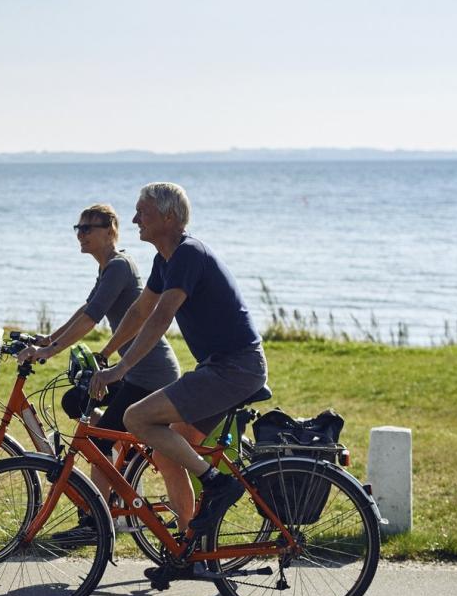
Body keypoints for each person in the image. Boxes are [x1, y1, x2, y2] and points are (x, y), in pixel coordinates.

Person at [90, 182, 268, 558]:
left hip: (234, 368)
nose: (135, 219)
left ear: (168, 217)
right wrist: (105, 354)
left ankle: (216, 484)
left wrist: (120, 369)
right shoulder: (165, 259)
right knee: (169, 451)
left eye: (143, 212)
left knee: (136, 418)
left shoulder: (188, 254)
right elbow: (139, 311)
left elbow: (159, 319)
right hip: (222, 367)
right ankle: (188, 550)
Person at [16, 203, 183, 529]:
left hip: (150, 374)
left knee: (98, 443)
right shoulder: (109, 267)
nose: (81, 234)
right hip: (137, 371)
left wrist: (48, 352)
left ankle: (95, 522)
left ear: (110, 231)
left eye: (87, 228)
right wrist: (49, 338)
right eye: (78, 228)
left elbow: (92, 318)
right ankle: (120, 485)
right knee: (77, 404)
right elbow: (86, 308)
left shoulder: (119, 266)